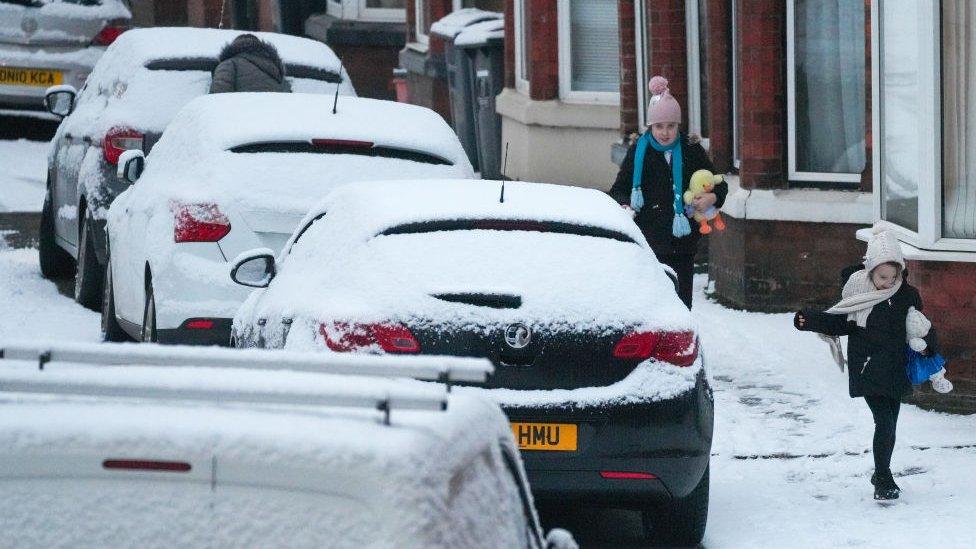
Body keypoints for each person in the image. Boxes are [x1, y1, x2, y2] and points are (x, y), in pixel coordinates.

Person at [793, 227, 939, 500]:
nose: (888, 282)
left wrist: (930, 346)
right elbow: (839, 321)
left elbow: (919, 327)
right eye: (883, 276)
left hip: (896, 370)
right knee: (884, 422)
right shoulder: (858, 295)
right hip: (868, 369)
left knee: (890, 424)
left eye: (894, 276)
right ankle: (883, 479)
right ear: (870, 270)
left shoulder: (907, 296)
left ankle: (881, 471)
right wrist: (810, 319)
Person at [608, 76, 727, 308]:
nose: (664, 133)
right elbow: (618, 190)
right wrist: (625, 205)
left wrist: (712, 197)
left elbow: (719, 184)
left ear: (678, 126)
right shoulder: (639, 151)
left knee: (681, 306)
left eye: (671, 126)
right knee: (652, 305)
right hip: (648, 242)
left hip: (682, 244)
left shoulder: (691, 149)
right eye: (659, 126)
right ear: (650, 127)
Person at [209, 33, 291, 94]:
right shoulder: (276, 71)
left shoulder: (229, 64)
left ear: (233, 48)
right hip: (274, 116)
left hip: (240, 115)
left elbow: (218, 97)